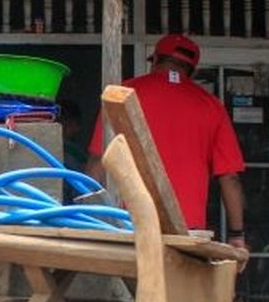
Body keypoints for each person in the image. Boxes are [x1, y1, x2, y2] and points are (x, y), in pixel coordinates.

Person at [86, 34, 249, 262]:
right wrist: (236, 234)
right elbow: (229, 177)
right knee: (179, 295)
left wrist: (89, 217)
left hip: (129, 223)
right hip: (186, 232)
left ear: (155, 62)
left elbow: (97, 162)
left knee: (133, 293)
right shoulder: (211, 106)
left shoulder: (123, 93)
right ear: (192, 70)